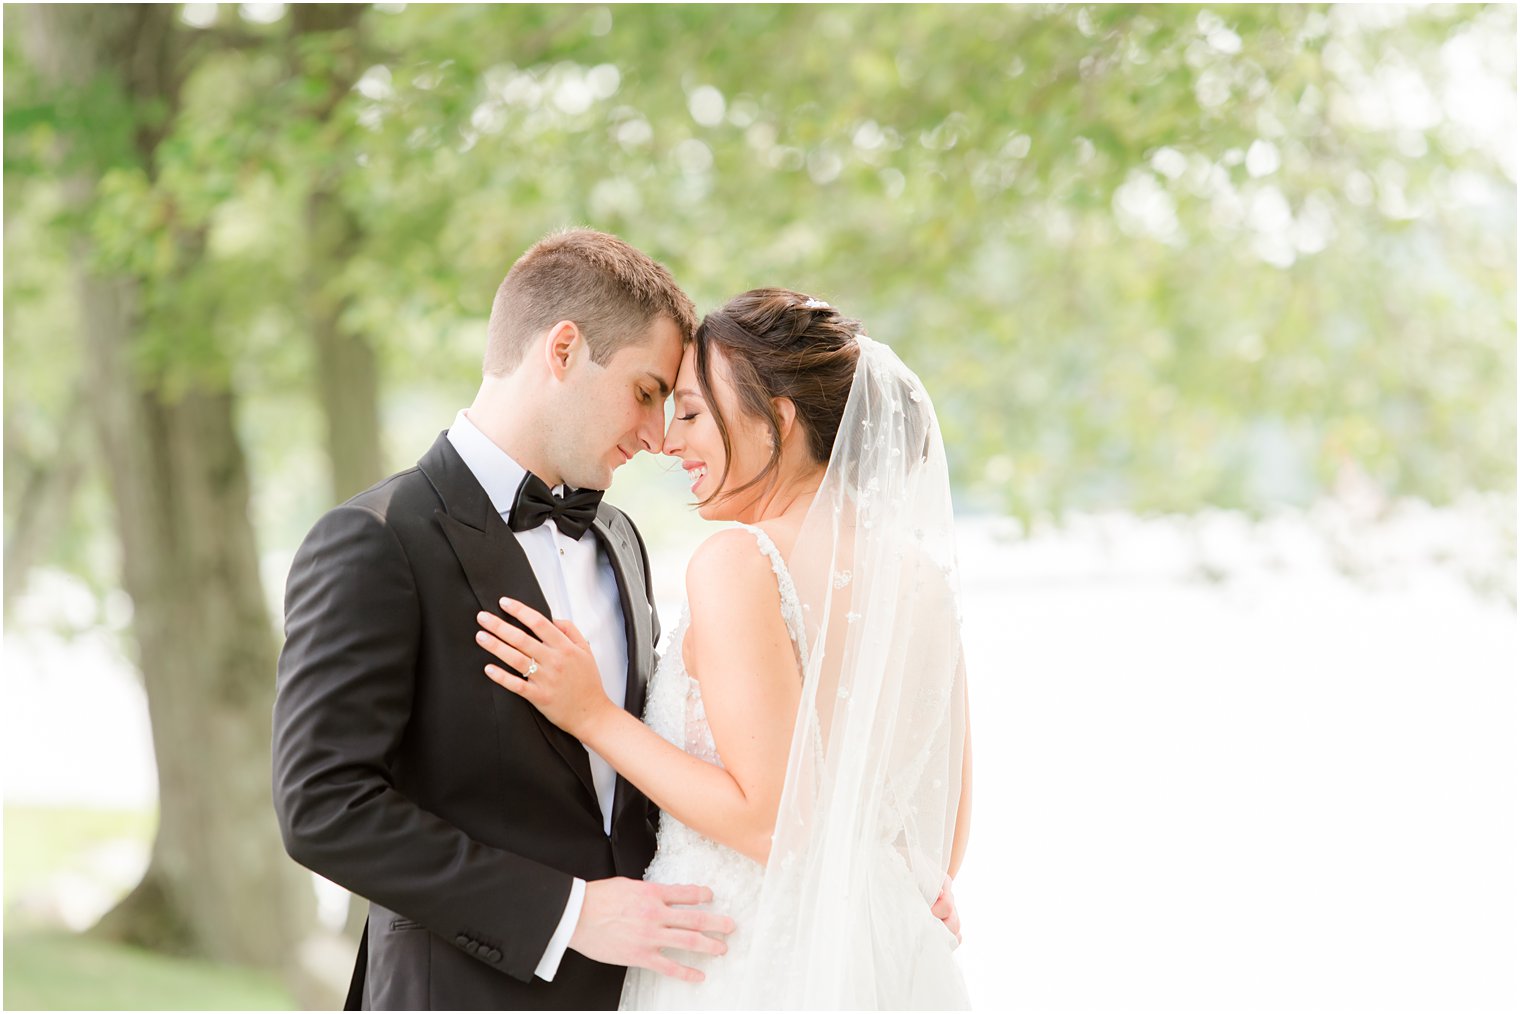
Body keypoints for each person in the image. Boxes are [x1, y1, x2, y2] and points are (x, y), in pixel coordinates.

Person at [272, 228, 736, 1010]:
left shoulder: (620, 539)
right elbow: (323, 806)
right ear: (562, 350)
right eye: (647, 392)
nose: (659, 436)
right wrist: (570, 912)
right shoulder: (376, 539)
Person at [476, 289, 974, 1008]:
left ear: (776, 417)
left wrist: (591, 714)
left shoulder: (740, 560)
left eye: (690, 412)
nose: (668, 441)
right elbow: (945, 830)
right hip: (892, 957)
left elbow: (768, 822)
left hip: (752, 960)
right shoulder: (920, 578)